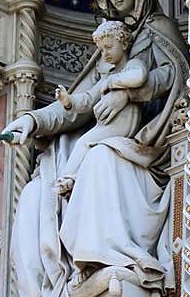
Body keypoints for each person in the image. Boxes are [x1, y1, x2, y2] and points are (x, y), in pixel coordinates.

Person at [0, 0, 189, 297]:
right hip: (108, 137)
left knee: (98, 159)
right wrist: (31, 121)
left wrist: (133, 91)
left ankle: (104, 260)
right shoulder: (107, 51)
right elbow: (75, 105)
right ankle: (49, 291)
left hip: (145, 143)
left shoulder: (158, 32)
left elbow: (177, 74)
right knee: (32, 195)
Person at [53, 19, 149, 197]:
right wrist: (68, 101)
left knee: (84, 142)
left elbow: (139, 77)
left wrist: (113, 82)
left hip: (123, 122)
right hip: (105, 124)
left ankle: (68, 178)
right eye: (102, 49)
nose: (105, 54)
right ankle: (70, 178)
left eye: (109, 47)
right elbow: (88, 99)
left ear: (124, 43)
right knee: (83, 142)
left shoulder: (133, 65)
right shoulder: (107, 76)